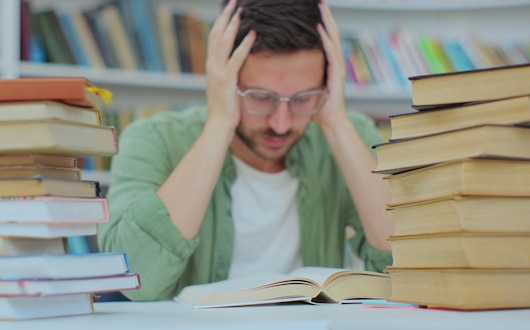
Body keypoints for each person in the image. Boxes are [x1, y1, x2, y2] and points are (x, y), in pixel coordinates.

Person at [98, 0, 393, 301]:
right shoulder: (154, 140)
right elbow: (136, 279)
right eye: (260, 97)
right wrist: (219, 124)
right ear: (222, 77)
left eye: (304, 98)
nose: (281, 124)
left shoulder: (348, 134)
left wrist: (336, 123)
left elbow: (404, 264)